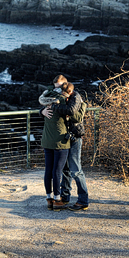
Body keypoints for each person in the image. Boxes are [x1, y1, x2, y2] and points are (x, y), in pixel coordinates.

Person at [43, 74, 90, 211]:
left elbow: (72, 112)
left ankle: (83, 200)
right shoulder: (60, 97)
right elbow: (46, 105)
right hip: (65, 137)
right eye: (56, 89)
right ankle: (65, 197)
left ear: (66, 85)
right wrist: (43, 111)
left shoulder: (75, 97)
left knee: (76, 170)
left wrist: (55, 106)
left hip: (74, 137)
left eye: (60, 88)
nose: (58, 91)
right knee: (65, 170)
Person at [39, 81, 72, 210]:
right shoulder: (63, 101)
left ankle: (49, 198)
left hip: (47, 141)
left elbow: (41, 103)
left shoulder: (47, 101)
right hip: (60, 142)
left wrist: (41, 111)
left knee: (48, 170)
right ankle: (57, 199)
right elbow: (73, 113)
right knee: (57, 171)